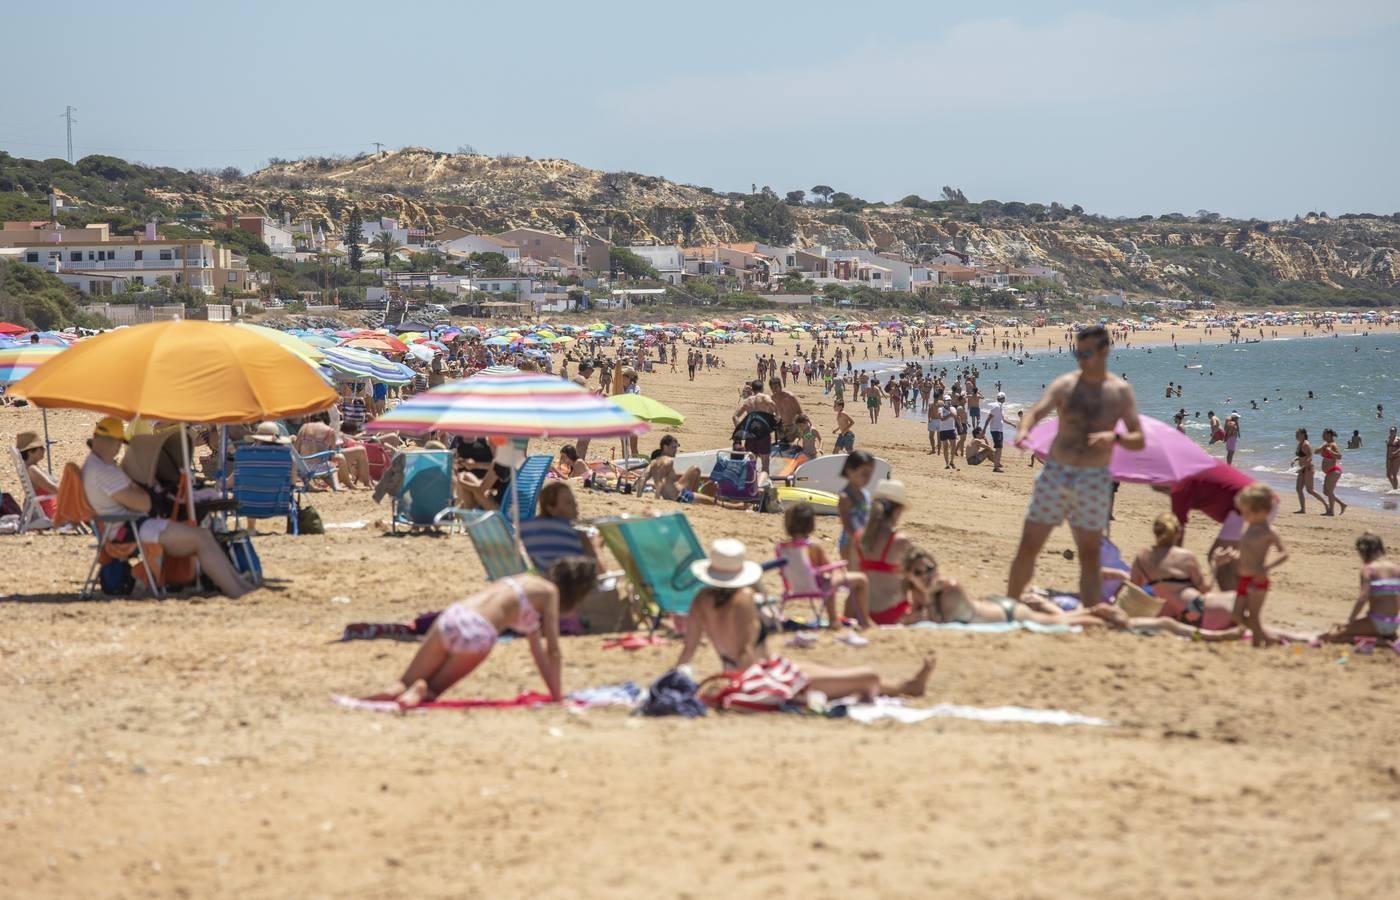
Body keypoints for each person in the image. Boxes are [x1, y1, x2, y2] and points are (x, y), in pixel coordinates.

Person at [676, 539, 935, 703]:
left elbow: (687, 654)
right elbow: (745, 653)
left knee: (832, 673)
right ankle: (908, 687)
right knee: (867, 676)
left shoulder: (700, 600)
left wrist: (676, 682)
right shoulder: (743, 598)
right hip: (766, 678)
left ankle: (907, 686)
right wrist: (745, 690)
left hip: (763, 671)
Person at [1007, 326, 1144, 606]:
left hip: (1093, 479)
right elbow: (1036, 412)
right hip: (1056, 472)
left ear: (1105, 351)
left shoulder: (1119, 391)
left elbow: (1138, 438)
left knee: (1090, 556)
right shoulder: (1066, 385)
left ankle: (1092, 615)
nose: (1080, 359)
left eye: (1087, 353)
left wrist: (1114, 436)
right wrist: (1023, 431)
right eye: (1077, 353)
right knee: (1029, 545)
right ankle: (1010, 606)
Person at [364, 557, 598, 707]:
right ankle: (425, 689)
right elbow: (551, 652)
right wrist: (557, 697)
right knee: (433, 689)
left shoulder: (523, 580)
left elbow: (536, 646)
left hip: (452, 617)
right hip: (478, 632)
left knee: (404, 681)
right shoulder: (549, 594)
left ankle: (388, 694)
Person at [80, 417, 253, 599]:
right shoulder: (103, 472)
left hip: (129, 525)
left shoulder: (98, 466)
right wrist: (148, 490)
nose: (117, 448)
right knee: (201, 537)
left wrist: (139, 488)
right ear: (108, 442)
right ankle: (238, 590)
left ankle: (240, 587)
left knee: (203, 537)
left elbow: (133, 498)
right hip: (129, 528)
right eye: (117, 443)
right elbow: (144, 504)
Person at [903, 548, 1111, 628]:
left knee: (1065, 621)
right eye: (919, 573)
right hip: (993, 607)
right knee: (1063, 619)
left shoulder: (950, 588)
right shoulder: (919, 595)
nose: (926, 576)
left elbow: (940, 622)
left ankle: (1109, 618)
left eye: (929, 569)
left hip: (1007, 613)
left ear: (937, 569)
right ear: (909, 577)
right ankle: (1093, 611)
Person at [781, 503, 871, 629]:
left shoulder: (783, 547)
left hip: (794, 586)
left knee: (830, 579)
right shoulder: (813, 546)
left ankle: (841, 618)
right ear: (811, 525)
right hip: (817, 585)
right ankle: (855, 620)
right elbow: (828, 566)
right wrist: (840, 566)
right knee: (861, 579)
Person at [1161, 459, 1271, 558]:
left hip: (1251, 503)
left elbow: (1178, 528)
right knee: (1221, 559)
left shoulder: (1180, 486)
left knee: (1218, 559)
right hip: (1254, 498)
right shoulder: (1189, 471)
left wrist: (1173, 560)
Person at [1233, 482, 1289, 648]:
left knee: (1254, 617)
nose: (1243, 515)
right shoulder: (1247, 526)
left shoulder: (1269, 531)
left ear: (1262, 511)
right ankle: (1267, 637)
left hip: (1258, 580)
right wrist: (1235, 556)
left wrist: (1266, 567)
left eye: (1246, 512)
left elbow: (1284, 553)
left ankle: (1257, 646)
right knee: (1236, 615)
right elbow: (1244, 550)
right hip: (1243, 577)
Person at [854, 480, 916, 624]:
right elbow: (915, 579)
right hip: (893, 612)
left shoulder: (859, 538)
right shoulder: (901, 540)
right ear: (897, 511)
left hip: (862, 612)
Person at [1320, 533, 1400, 644]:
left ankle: (1380, 641)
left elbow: (1363, 597)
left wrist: (1350, 621)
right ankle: (1386, 638)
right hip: (1394, 623)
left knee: (1333, 636)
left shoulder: (1368, 569)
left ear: (1363, 552)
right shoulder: (1396, 569)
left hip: (1376, 621)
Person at [732, 380, 779, 474]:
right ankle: (764, 485)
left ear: (753, 390)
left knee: (751, 464)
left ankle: (752, 486)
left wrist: (742, 431)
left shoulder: (748, 401)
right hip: (764, 434)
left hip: (751, 435)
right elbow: (775, 407)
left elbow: (735, 416)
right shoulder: (765, 398)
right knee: (765, 465)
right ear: (762, 388)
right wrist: (775, 420)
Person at [836, 450, 874, 564]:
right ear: (849, 471)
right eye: (864, 474)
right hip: (850, 544)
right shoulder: (845, 497)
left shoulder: (865, 494)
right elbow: (847, 526)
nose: (867, 478)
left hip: (864, 541)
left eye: (870, 475)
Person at [15, 431, 58, 520]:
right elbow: (53, 489)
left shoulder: (27, 468)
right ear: (30, 452)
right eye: (41, 448)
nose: (44, 450)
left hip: (42, 508)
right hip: (50, 511)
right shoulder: (33, 470)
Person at [1292, 428, 1326, 513]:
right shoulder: (1300, 444)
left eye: (1298, 434)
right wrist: (1295, 459)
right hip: (1302, 469)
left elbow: (1310, 458)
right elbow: (1301, 456)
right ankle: (1303, 509)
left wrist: (1302, 468)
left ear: (1303, 434)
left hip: (1308, 468)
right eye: (1296, 434)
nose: (1296, 436)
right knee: (1298, 488)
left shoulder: (1306, 444)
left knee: (1310, 490)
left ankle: (1326, 505)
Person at [1316, 428, 1348, 517]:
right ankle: (1342, 504)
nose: (1322, 436)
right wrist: (1323, 447)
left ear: (1329, 435)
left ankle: (1331, 511)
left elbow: (1339, 456)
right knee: (1326, 492)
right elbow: (1315, 452)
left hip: (1334, 471)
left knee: (1329, 491)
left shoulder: (1333, 445)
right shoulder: (1325, 444)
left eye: (1324, 434)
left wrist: (1330, 451)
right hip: (1329, 472)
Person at [983, 391, 1007, 472]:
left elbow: (1001, 419)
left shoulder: (999, 406)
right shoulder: (996, 407)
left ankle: (997, 463)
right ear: (1003, 399)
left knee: (999, 448)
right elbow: (988, 418)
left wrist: (1011, 424)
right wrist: (984, 429)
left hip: (998, 429)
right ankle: (996, 467)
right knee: (998, 448)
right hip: (996, 430)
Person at [935, 394, 958, 470]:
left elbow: (956, 416)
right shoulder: (940, 409)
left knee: (953, 447)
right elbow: (941, 418)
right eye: (947, 401)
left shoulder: (953, 408)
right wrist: (949, 415)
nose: (949, 402)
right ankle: (947, 463)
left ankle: (952, 461)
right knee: (945, 447)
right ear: (944, 402)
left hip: (951, 429)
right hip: (943, 430)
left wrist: (950, 412)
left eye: (949, 401)